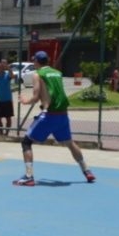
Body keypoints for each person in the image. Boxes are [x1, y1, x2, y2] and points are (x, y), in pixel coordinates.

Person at [13, 51, 95, 186]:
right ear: (48, 60)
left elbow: (35, 97)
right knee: (69, 143)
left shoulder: (38, 74)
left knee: (26, 142)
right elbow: (54, 91)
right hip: (63, 115)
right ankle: (87, 171)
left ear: (36, 61)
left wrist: (24, 101)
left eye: (34, 60)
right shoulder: (57, 73)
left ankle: (29, 176)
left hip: (49, 115)